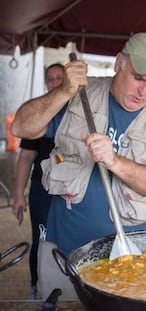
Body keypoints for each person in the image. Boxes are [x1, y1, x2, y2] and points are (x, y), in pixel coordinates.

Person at [12, 33, 146, 297]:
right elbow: (20, 126)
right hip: (64, 249)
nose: (144, 91)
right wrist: (62, 91)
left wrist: (115, 161)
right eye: (138, 78)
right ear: (119, 63)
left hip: (125, 258)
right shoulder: (80, 95)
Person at [12, 63, 64, 299]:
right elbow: (25, 158)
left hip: (71, 192)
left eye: (59, 78)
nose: (54, 82)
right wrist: (19, 194)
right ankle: (37, 287)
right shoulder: (37, 114)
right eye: (50, 79)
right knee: (41, 239)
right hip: (42, 190)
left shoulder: (79, 111)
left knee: (68, 239)